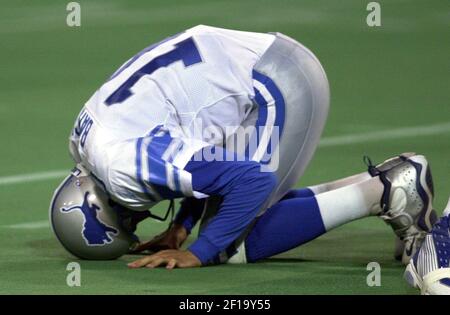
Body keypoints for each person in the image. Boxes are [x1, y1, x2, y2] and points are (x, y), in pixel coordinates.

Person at [50, 25, 439, 272]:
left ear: (110, 209)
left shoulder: (122, 171)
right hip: (260, 65)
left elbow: (250, 181)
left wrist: (200, 251)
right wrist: (182, 227)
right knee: (225, 218)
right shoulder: (84, 142)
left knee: (231, 244)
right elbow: (201, 150)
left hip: (274, 85)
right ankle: (388, 187)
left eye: (129, 222)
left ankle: (389, 190)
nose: (138, 219)